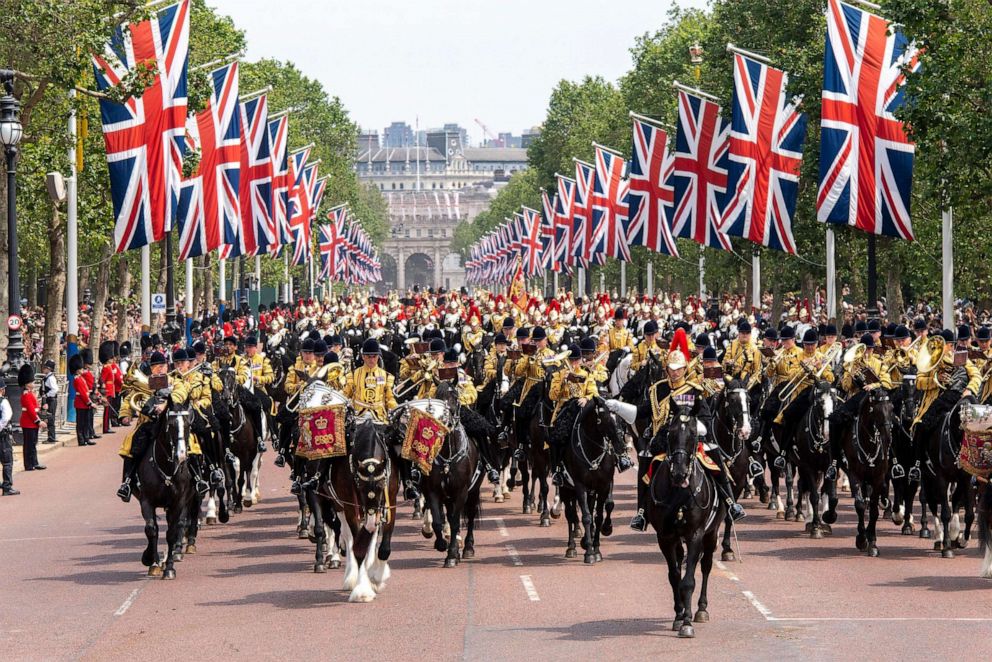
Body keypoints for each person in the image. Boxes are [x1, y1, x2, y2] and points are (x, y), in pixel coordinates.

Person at [116, 351, 191, 502]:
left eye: (162, 365)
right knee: (132, 444)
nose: (159, 368)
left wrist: (166, 403)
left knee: (193, 443)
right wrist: (125, 414)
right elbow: (130, 398)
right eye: (155, 366)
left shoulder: (174, 381)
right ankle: (127, 482)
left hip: (171, 422)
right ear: (151, 368)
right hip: (148, 424)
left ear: (166, 366)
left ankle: (199, 477)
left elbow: (182, 392)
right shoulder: (145, 383)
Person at [19, 364, 46, 471]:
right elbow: (30, 411)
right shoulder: (26, 395)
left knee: (33, 444)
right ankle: (28, 464)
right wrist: (39, 421)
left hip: (32, 422)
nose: (33, 383)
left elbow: (35, 408)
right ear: (27, 384)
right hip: (28, 422)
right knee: (29, 445)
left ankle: (34, 462)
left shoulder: (30, 394)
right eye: (32, 382)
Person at [71, 354, 95, 447]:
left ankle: (86, 438)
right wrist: (89, 402)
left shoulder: (81, 378)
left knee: (86, 422)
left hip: (84, 403)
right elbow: (82, 393)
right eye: (80, 369)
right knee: (80, 423)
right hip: (81, 403)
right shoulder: (77, 379)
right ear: (77, 370)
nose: (82, 370)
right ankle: (81, 440)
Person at [0, 381, 18, 496]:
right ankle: (7, 487)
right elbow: (6, 417)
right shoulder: (3, 401)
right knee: (7, 461)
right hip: (2, 436)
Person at [41, 359, 59, 444]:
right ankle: (51, 436)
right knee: (48, 417)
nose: (43, 369)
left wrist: (47, 395)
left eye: (45, 367)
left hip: (51, 400)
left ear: (48, 368)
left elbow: (55, 389)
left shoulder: (51, 378)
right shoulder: (47, 377)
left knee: (50, 418)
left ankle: (51, 437)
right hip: (49, 400)